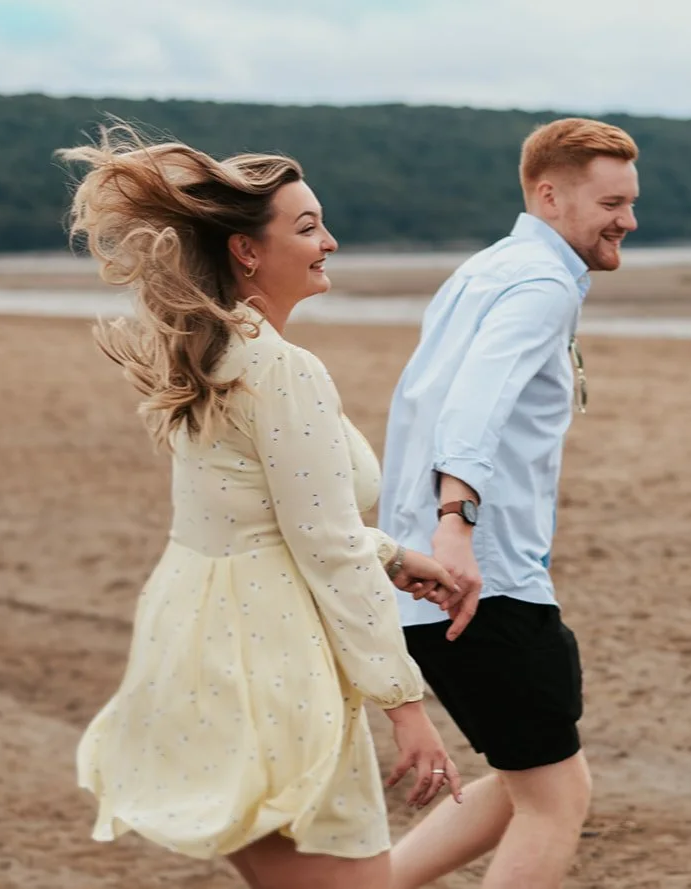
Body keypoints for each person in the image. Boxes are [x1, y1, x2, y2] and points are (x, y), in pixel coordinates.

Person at [67, 126, 464, 889]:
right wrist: (404, 703)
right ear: (247, 250)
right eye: (308, 227)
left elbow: (262, 514)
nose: (331, 242)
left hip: (204, 646)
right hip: (270, 661)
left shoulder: (211, 353)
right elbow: (325, 548)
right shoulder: (282, 368)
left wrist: (389, 552)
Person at [380, 118, 641, 888]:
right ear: (550, 194)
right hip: (480, 582)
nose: (628, 218)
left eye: (631, 200)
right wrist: (455, 525)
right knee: (558, 797)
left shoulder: (483, 271)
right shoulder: (542, 283)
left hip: (440, 578)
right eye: (612, 201)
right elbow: (472, 406)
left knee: (523, 782)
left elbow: (423, 407)